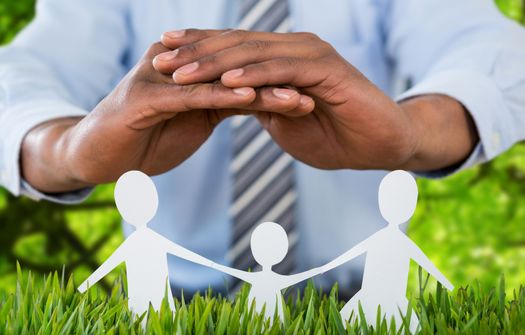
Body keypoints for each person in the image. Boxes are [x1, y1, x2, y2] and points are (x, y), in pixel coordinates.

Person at [1, 0, 524, 297]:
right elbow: (20, 76)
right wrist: (67, 149)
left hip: (363, 294)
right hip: (167, 297)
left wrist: (413, 130)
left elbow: (499, 54)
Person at [320, 170, 454, 333]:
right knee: (345, 328)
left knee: (406, 332)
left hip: (390, 297)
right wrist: (324, 268)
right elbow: (352, 254)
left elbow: (424, 263)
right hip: (368, 294)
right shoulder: (381, 238)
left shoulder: (400, 242)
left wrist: (445, 282)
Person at [78, 171, 214, 315]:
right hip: (160, 286)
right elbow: (109, 265)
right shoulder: (139, 242)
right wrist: (85, 285)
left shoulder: (152, 240)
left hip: (178, 283)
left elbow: (187, 255)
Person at [210, 222, 322, 321]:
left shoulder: (270, 279)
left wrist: (318, 270)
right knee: (251, 319)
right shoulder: (265, 278)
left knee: (274, 320)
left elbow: (297, 278)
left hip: (322, 292)